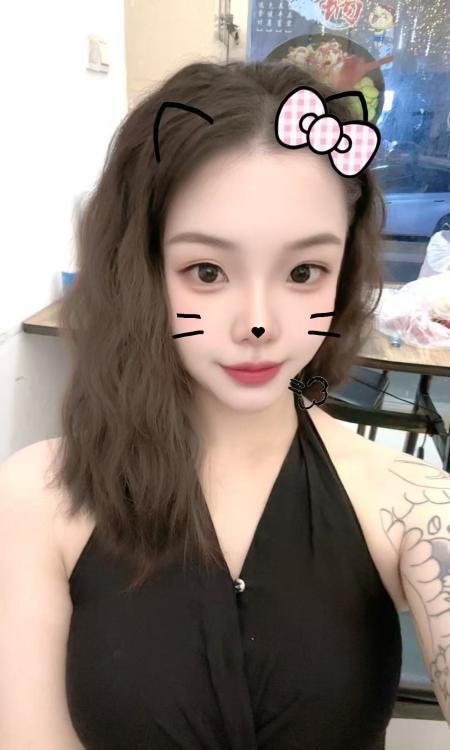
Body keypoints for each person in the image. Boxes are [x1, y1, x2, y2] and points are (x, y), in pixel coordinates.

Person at [0, 61, 404, 749]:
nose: (258, 322)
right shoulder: (37, 500)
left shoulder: (405, 502)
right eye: (207, 271)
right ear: (141, 271)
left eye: (304, 272)